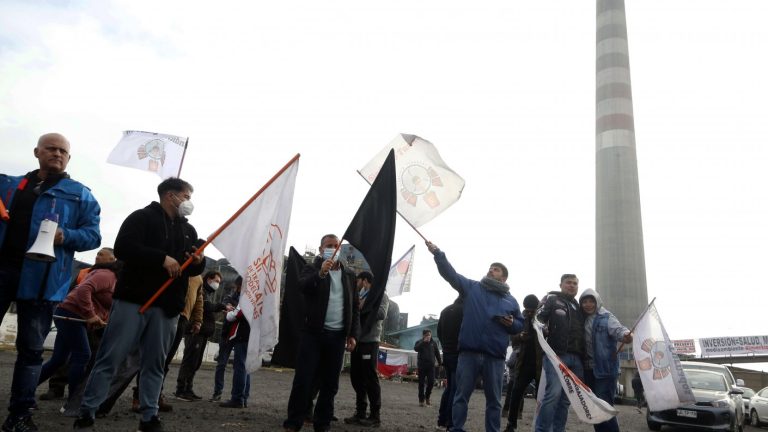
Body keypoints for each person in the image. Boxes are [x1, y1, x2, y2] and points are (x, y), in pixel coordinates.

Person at [73, 177, 205, 432]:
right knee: (110, 358)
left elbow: (190, 270)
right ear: (170, 195)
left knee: (155, 364)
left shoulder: (188, 231)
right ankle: (87, 411)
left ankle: (149, 415)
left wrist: (197, 262)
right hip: (133, 301)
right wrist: (161, 259)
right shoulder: (141, 217)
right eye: (186, 197)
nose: (188, 202)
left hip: (167, 308)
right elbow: (124, 248)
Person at [0, 133, 101, 432]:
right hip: (3, 270)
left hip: (44, 279)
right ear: (37, 152)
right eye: (51, 149)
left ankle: (19, 415)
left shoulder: (81, 194)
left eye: (63, 151)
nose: (57, 154)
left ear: (69, 157)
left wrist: (65, 235)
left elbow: (93, 236)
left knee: (31, 350)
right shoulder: (8, 185)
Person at [426, 241, 523, 432]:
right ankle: (456, 429)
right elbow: (450, 275)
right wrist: (438, 254)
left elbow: (520, 325)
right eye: (490, 268)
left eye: (495, 269)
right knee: (461, 396)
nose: (490, 270)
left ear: (503, 278)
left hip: (494, 357)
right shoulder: (473, 288)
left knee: (494, 400)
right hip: (468, 354)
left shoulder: (511, 300)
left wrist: (513, 324)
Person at [283, 234, 360, 432]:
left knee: (330, 383)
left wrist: (353, 334)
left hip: (338, 336)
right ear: (320, 249)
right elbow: (302, 286)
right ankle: (293, 422)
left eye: (336, 245)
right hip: (313, 334)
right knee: (304, 379)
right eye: (328, 246)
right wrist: (321, 274)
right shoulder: (311, 268)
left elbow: (355, 308)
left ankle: (322, 423)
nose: (333, 249)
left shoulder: (350, 275)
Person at [37, 257, 119, 405]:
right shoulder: (107, 275)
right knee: (83, 355)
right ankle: (73, 402)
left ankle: (25, 391)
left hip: (73, 315)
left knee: (59, 359)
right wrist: (91, 315)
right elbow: (83, 289)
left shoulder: (115, 280)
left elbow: (104, 304)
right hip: (70, 314)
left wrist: (99, 317)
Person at [534, 274, 585, 432]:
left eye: (575, 283)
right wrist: (542, 327)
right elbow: (537, 318)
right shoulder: (551, 299)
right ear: (561, 285)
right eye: (568, 283)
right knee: (553, 394)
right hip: (556, 355)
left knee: (566, 400)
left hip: (577, 359)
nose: (572, 286)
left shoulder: (579, 306)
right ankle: (541, 430)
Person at [579, 289, 632, 432]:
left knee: (605, 406)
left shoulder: (607, 317)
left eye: (591, 301)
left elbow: (619, 330)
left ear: (597, 301)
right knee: (594, 407)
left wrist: (625, 335)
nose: (588, 304)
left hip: (605, 369)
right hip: (588, 369)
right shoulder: (581, 319)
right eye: (584, 301)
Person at [344, 271, 388, 427]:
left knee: (370, 378)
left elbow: (382, 314)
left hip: (370, 342)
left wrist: (366, 305)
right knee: (356, 377)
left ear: (365, 280)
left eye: (358, 281)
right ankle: (360, 412)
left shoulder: (381, 295)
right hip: (357, 340)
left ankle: (375, 416)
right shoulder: (360, 294)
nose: (356, 284)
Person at [175, 270, 224, 401]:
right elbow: (206, 306)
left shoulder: (208, 293)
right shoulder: (201, 289)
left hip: (203, 332)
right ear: (209, 279)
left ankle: (188, 388)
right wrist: (220, 306)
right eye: (216, 281)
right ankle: (181, 389)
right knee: (190, 360)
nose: (217, 284)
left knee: (196, 362)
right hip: (195, 331)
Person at [503, 294, 541, 432]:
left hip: (540, 364)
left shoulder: (542, 318)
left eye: (532, 310)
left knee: (541, 397)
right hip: (524, 363)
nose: (529, 313)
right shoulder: (521, 318)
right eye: (527, 310)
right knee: (516, 393)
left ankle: (540, 426)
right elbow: (513, 339)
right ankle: (511, 425)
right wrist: (519, 336)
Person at [436, 295, 464, 431]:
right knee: (455, 388)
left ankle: (441, 420)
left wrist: (445, 347)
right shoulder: (465, 311)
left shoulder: (445, 311)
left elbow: (439, 332)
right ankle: (450, 422)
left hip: (446, 353)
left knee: (449, 387)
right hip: (458, 353)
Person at [218, 300, 251, 409]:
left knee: (240, 367)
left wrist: (228, 314)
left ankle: (237, 398)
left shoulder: (249, 295)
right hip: (252, 335)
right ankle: (244, 398)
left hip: (243, 334)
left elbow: (238, 314)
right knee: (246, 368)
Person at [211, 281, 240, 401]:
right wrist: (228, 308)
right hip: (227, 333)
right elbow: (225, 305)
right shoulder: (229, 297)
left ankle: (238, 396)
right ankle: (217, 392)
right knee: (221, 363)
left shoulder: (248, 298)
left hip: (240, 335)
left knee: (240, 366)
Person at [414, 329, 442, 407]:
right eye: (426, 335)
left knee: (431, 382)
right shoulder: (419, 342)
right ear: (423, 335)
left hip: (431, 367)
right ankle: (421, 400)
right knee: (421, 384)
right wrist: (423, 342)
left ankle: (427, 397)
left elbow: (437, 353)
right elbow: (416, 349)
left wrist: (440, 363)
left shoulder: (434, 343)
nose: (428, 336)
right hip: (422, 366)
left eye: (429, 335)